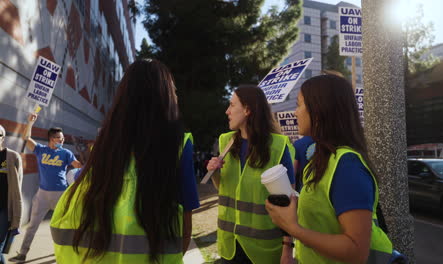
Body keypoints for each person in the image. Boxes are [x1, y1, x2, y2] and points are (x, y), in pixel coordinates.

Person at [49, 59, 200, 263]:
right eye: (173, 89)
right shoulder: (180, 144)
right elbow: (185, 222)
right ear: (165, 96)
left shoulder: (105, 143)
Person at [265, 75, 394, 263]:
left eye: (299, 104)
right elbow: (324, 211)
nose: (295, 113)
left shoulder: (347, 166)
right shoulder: (319, 160)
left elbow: (356, 251)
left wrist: (293, 228)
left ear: (319, 110)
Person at [207, 85, 295, 264]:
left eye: (232, 105)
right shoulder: (226, 141)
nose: (227, 111)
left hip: (263, 250)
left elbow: (289, 202)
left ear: (247, 110)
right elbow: (223, 187)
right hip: (230, 246)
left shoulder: (278, 146)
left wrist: (287, 249)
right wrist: (214, 172)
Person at [9, 118, 82, 263]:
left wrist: (82, 157)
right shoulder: (41, 150)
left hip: (61, 194)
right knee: (32, 225)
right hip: (42, 195)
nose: (61, 141)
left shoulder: (66, 153)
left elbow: (79, 166)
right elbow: (26, 138)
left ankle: (70, 250)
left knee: (66, 225)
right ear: (51, 138)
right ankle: (23, 253)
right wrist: (30, 122)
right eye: (58, 139)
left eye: (62, 139)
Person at [0, 125, 23, 264]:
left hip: (4, 210)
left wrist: (17, 214)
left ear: (3, 138)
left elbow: (17, 188)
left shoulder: (12, 157)